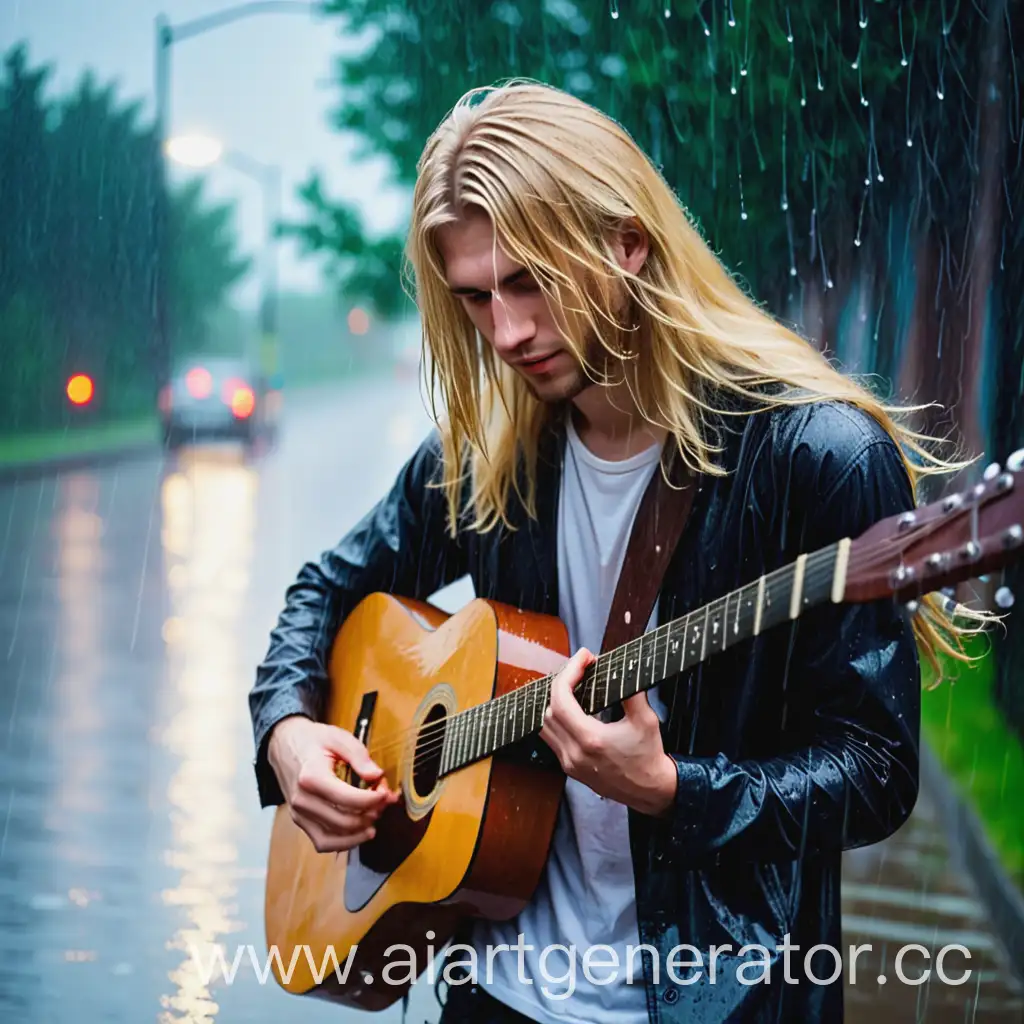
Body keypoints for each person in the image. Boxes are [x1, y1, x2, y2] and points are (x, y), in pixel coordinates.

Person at [248, 80, 984, 1024]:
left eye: (530, 283)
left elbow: (875, 771)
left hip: (721, 999)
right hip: (494, 998)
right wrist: (291, 733)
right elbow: (324, 589)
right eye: (475, 299)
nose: (507, 333)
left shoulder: (814, 456)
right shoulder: (487, 460)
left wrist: (675, 789)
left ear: (628, 244)